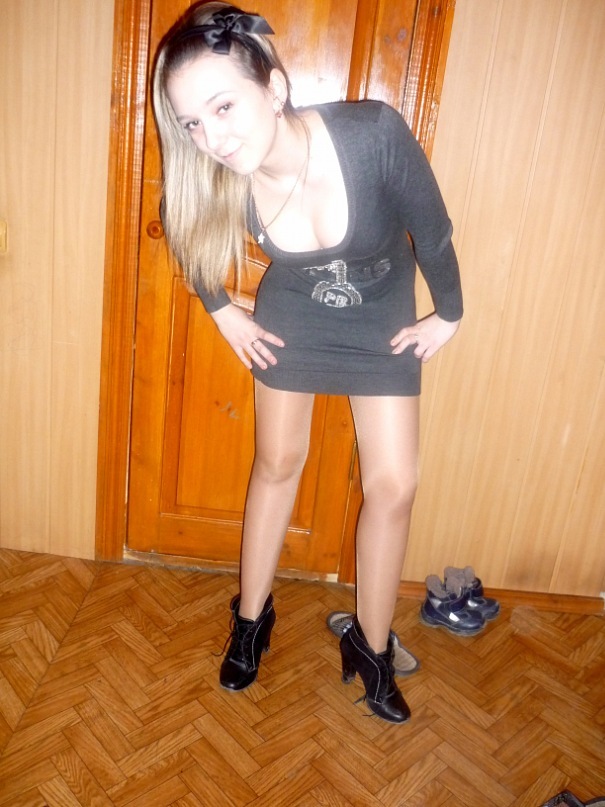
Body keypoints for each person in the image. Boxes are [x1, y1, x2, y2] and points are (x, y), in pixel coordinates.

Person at [153, 1, 462, 724]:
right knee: (277, 463)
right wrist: (222, 309)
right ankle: (250, 619)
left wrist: (448, 313)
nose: (211, 138)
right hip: (294, 311)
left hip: (382, 313)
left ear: (275, 88)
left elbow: (434, 229)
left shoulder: (373, 134)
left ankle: (371, 647)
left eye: (223, 106)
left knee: (395, 485)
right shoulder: (218, 172)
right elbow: (179, 218)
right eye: (191, 123)